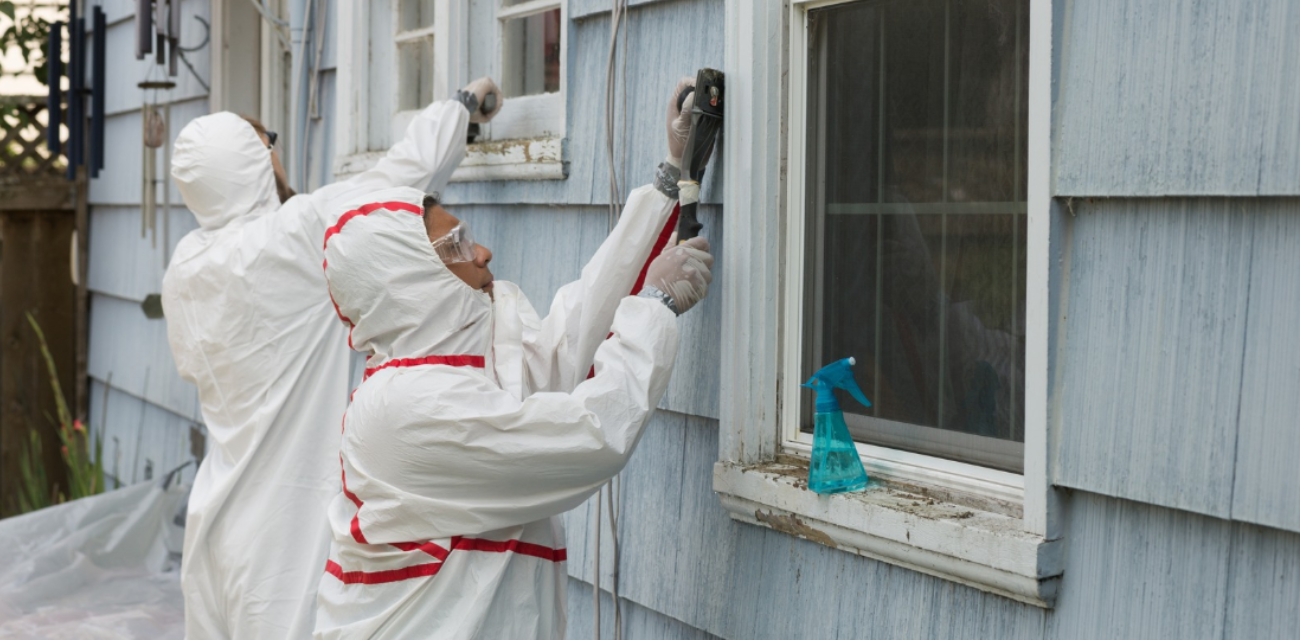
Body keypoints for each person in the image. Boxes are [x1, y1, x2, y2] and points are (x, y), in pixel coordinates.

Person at [311, 79, 713, 639]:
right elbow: (587, 438)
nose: (482, 252)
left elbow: (568, 342)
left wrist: (668, 178)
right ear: (408, 283)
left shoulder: (456, 372)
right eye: (455, 246)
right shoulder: (407, 410)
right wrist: (655, 307)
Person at [162, 77, 504, 640]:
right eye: (266, 144)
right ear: (252, 164)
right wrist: (460, 110)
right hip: (284, 534)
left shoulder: (186, 266)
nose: (276, 152)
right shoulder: (293, 236)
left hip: (213, 528)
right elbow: (398, 181)